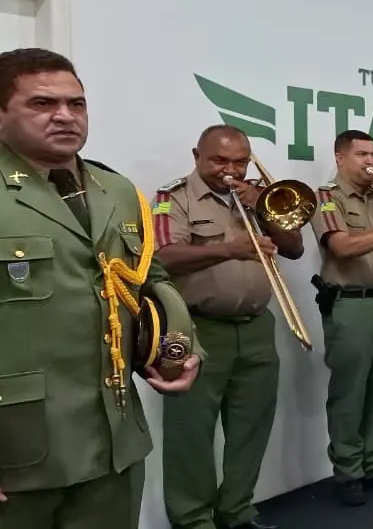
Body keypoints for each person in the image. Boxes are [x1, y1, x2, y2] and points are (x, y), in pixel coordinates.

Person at [0, 47, 202, 529]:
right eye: (42, 104)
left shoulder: (117, 192)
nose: (65, 116)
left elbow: (148, 280)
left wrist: (180, 347)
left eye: (77, 104)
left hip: (113, 442)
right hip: (18, 451)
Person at [156, 124, 306, 529]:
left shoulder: (256, 196)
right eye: (220, 160)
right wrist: (229, 249)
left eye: (240, 162)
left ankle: (237, 511)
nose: (230, 170)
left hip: (257, 327)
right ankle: (193, 519)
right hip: (198, 329)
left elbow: (294, 248)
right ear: (196, 156)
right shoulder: (174, 197)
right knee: (192, 434)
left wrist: (262, 207)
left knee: (250, 427)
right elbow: (164, 257)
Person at [310, 130, 373, 506]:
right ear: (340, 158)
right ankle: (348, 471)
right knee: (349, 391)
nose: (372, 161)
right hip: (349, 303)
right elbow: (342, 246)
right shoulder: (326, 198)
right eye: (363, 154)